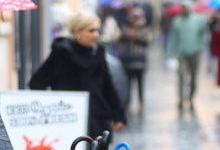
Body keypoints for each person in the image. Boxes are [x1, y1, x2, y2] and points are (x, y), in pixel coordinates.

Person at [29, 12, 126, 141]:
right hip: (68, 123)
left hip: (96, 122)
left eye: (97, 30)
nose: (96, 35)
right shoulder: (61, 54)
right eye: (91, 31)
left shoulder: (97, 53)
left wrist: (118, 115)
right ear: (77, 32)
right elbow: (36, 83)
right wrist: (53, 108)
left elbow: (108, 86)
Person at [167, 0, 208, 109]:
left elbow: (203, 34)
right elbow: (173, 38)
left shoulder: (198, 19)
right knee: (181, 76)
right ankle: (180, 99)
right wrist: (171, 54)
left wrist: (200, 47)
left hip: (194, 52)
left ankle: (191, 98)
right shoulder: (177, 21)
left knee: (193, 78)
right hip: (182, 53)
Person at [117, 8, 152, 111]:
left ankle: (141, 101)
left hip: (140, 61)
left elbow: (147, 41)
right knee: (128, 83)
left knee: (140, 82)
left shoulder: (145, 29)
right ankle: (128, 101)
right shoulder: (125, 27)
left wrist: (136, 37)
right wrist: (127, 35)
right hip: (127, 61)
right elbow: (119, 38)